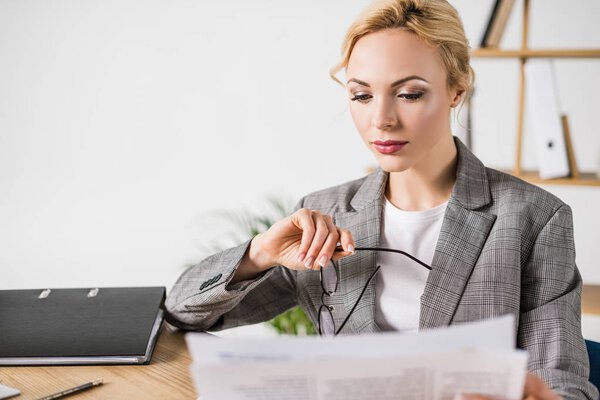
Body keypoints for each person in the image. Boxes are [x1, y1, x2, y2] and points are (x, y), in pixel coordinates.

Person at [165, 0, 597, 398]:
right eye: (361, 95)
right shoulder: (325, 213)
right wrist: (258, 254)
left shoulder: (532, 218)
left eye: (409, 94)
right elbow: (180, 314)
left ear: (457, 90)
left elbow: (561, 381)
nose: (382, 120)